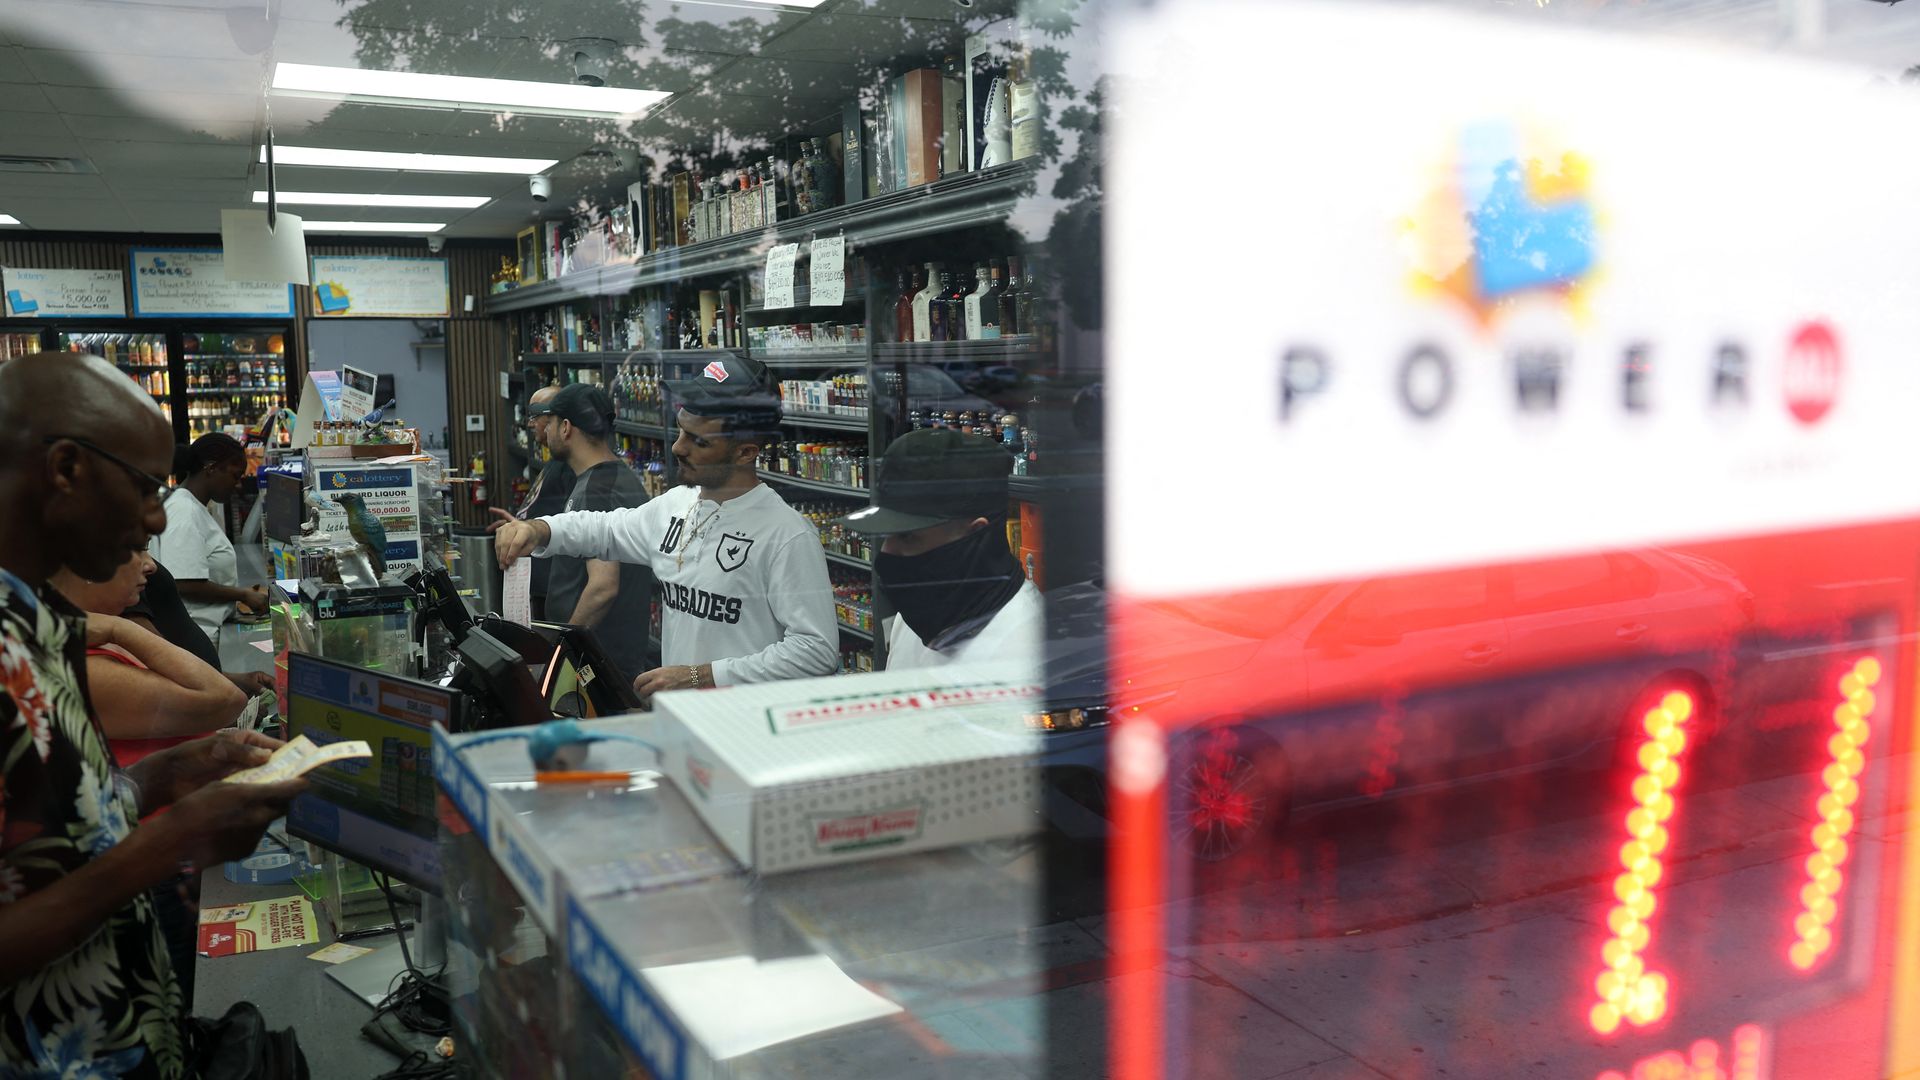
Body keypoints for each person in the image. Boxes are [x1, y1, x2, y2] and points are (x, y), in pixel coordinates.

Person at [0, 352, 307, 1079]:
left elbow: (46, 839)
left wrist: (168, 775)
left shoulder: (36, 616)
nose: (154, 518)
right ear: (67, 468)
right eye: (143, 487)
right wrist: (171, 842)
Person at [495, 354, 837, 700]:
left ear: (746, 452)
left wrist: (699, 676)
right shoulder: (676, 504)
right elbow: (606, 529)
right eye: (680, 430)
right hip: (684, 723)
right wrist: (540, 530)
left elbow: (816, 651)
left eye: (698, 440)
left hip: (746, 733)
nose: (677, 447)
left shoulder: (786, 535)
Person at [840, 429, 1041, 669]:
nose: (887, 552)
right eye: (886, 535)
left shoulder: (1027, 648)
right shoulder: (916, 616)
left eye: (907, 537)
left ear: (975, 533)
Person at [51, 548, 248, 767]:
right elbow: (227, 701)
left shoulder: (100, 639)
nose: (150, 565)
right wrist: (121, 628)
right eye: (135, 548)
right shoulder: (86, 667)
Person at [531, 383, 653, 681]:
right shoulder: (610, 477)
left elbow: (602, 587)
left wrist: (563, 653)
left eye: (551, 424)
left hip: (599, 660)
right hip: (604, 655)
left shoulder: (598, 490)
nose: (544, 432)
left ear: (566, 428)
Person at [149, 433, 268, 644]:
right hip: (193, 635)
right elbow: (184, 583)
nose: (238, 485)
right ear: (211, 467)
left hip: (203, 630)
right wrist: (242, 595)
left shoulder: (194, 507)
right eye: (235, 475)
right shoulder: (183, 510)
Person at [121, 560, 275, 698]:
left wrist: (228, 680)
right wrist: (217, 708)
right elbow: (159, 661)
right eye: (134, 548)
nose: (150, 564)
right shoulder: (126, 603)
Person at [488, 384, 574, 621]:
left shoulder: (569, 466)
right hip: (534, 581)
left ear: (557, 419)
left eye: (536, 416)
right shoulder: (555, 461)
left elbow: (571, 523)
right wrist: (521, 523)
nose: (529, 423)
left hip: (551, 587)